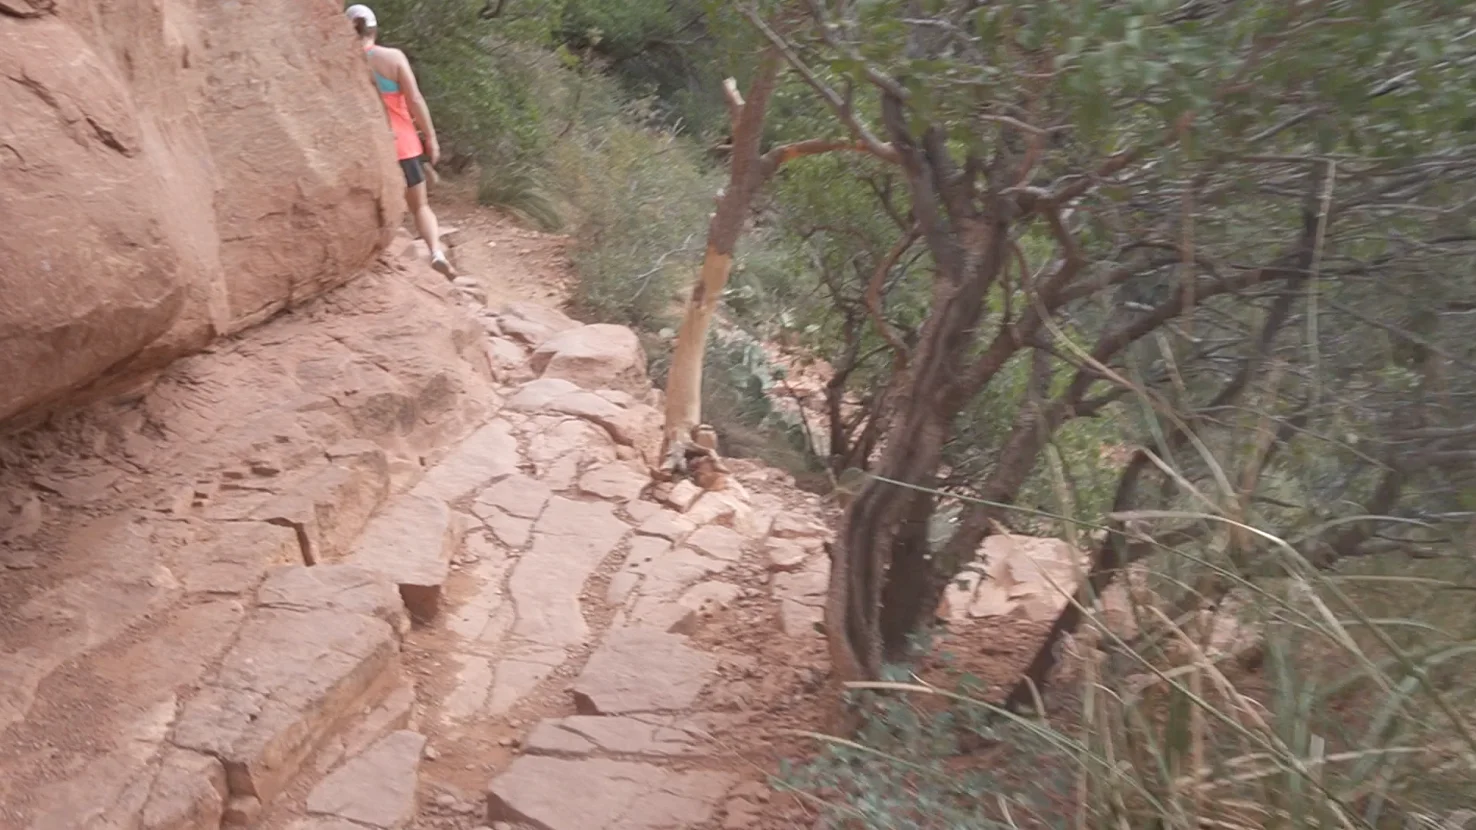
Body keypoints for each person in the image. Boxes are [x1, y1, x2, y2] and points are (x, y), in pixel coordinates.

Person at [346, 4, 454, 277]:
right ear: (374, 29)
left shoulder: (344, 63)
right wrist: (430, 137)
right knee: (420, 206)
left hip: (368, 145)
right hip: (403, 144)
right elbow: (415, 99)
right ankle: (436, 252)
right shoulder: (392, 58)